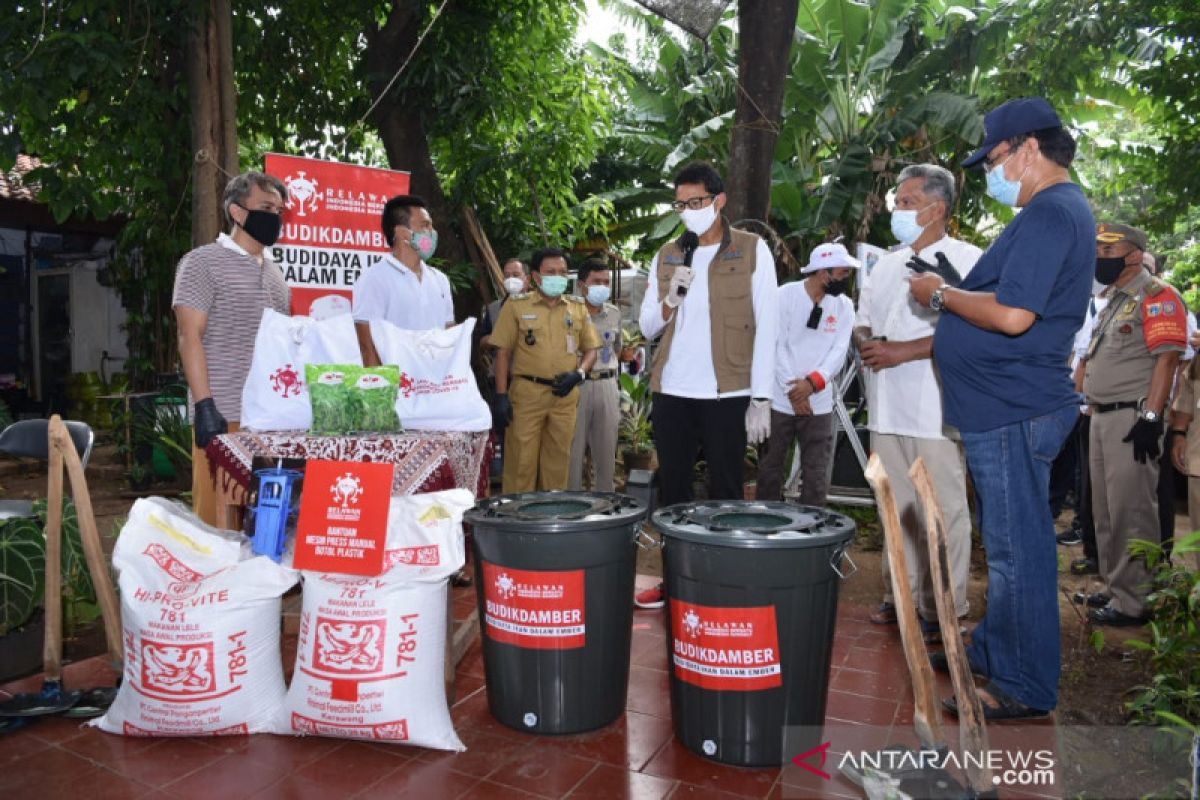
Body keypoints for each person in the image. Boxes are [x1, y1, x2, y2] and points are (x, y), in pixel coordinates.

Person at [909, 97, 1095, 720]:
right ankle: (995, 647)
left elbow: (1013, 316)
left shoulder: (1051, 214)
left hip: (1015, 406)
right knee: (1009, 541)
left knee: (1020, 552)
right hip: (1003, 406)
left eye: (993, 159)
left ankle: (1023, 684)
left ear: (1028, 149)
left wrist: (940, 295)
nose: (992, 173)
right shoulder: (1050, 212)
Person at [635, 161, 779, 609]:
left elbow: (768, 326)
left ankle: (726, 583)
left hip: (728, 392)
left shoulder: (753, 250)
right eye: (680, 204)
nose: (688, 212)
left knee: (727, 488)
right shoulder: (668, 254)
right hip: (673, 390)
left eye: (695, 202)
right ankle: (677, 581)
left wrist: (761, 397)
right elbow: (646, 328)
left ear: (719, 201)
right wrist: (669, 299)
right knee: (674, 490)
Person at [855, 164, 981, 632]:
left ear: (938, 208)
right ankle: (900, 596)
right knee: (896, 506)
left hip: (935, 407)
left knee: (943, 510)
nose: (898, 211)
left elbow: (972, 327)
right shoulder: (887, 264)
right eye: (898, 203)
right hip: (886, 406)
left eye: (907, 203)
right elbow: (863, 318)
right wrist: (865, 340)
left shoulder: (968, 260)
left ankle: (943, 605)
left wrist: (902, 351)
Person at [1081, 223, 1186, 626]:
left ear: (1135, 255)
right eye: (1098, 252)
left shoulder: (1157, 297)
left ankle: (1136, 600)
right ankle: (1115, 586)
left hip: (1132, 417)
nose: (1100, 259)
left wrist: (1151, 417)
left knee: (1132, 510)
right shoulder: (1114, 301)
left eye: (1109, 252)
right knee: (1106, 510)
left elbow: (1167, 359)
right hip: (1102, 415)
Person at [173, 171, 291, 526]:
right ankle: (214, 583)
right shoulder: (201, 262)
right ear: (237, 212)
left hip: (269, 419)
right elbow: (187, 335)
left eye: (280, 210)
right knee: (216, 522)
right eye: (266, 207)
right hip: (223, 414)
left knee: (263, 523)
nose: (275, 216)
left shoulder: (276, 275)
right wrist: (205, 405)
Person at [490, 248, 600, 493]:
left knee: (557, 465)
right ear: (537, 277)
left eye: (562, 272)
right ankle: (516, 521)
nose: (558, 277)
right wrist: (500, 395)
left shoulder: (577, 308)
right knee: (521, 463)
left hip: (564, 396)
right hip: (527, 394)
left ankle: (550, 520)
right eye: (551, 272)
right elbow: (503, 352)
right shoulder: (516, 307)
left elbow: (591, 349)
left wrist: (579, 373)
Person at [756, 242, 857, 505]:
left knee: (816, 471)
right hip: (780, 399)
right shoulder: (783, 296)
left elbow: (839, 350)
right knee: (770, 466)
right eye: (842, 273)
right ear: (824, 273)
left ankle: (813, 529)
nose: (845, 278)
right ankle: (764, 522)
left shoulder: (845, 306)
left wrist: (812, 384)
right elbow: (775, 345)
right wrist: (795, 391)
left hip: (819, 402)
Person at [352, 194, 454, 365]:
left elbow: (449, 335)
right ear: (402, 232)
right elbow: (367, 346)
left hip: (436, 386)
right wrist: (380, 389)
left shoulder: (440, 280)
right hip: (398, 386)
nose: (432, 232)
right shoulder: (374, 279)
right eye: (425, 225)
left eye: (431, 226)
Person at [568, 259, 623, 492]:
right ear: (582, 285)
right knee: (572, 453)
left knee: (606, 453)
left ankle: (605, 508)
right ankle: (570, 508)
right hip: (578, 386)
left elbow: (617, 349)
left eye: (606, 282)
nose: (602, 286)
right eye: (596, 281)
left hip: (607, 385)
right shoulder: (568, 312)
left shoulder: (614, 313)